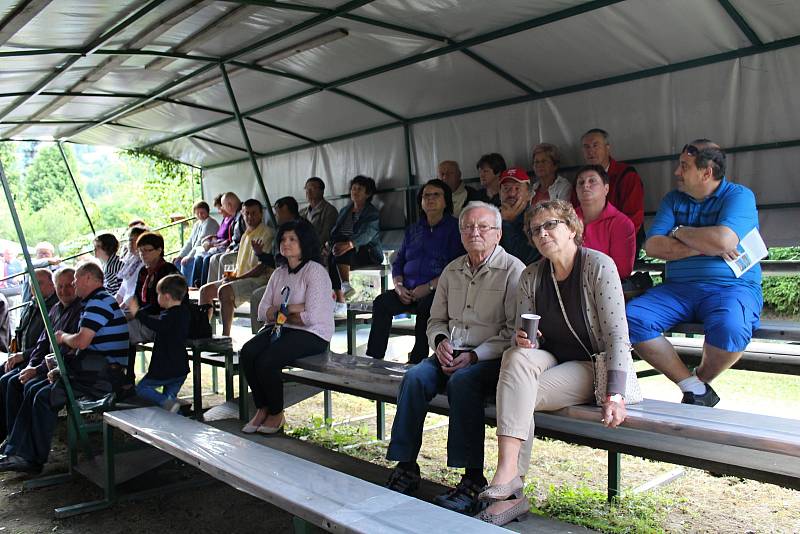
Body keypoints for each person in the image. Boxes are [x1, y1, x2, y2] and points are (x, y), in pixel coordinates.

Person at [476, 199, 631, 525]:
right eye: (535, 230)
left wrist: (616, 393)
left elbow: (617, 334)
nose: (542, 233)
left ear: (573, 228)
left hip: (593, 365)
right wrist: (528, 340)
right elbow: (531, 334)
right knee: (515, 356)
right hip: (553, 359)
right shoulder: (532, 275)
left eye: (551, 225)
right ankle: (509, 477)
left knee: (517, 394)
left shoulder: (598, 266)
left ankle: (510, 489)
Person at [384, 201, 524, 515]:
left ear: (498, 234)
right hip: (451, 352)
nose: (475, 232)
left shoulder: (513, 270)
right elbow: (435, 320)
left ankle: (472, 479)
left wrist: (475, 355)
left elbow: (513, 330)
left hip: (491, 357)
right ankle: (406, 466)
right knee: (415, 377)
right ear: (460, 234)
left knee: (463, 383)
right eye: (468, 227)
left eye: (483, 226)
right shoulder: (452, 270)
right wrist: (440, 342)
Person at [626, 140, 762, 407]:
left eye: (684, 166)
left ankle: (698, 383)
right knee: (631, 318)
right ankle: (693, 387)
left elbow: (724, 240)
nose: (677, 172)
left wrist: (678, 232)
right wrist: (704, 247)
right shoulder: (673, 199)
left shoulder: (739, 196)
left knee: (731, 328)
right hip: (678, 289)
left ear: (706, 172)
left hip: (731, 287)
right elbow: (653, 245)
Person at [0, 262, 129, 474]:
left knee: (42, 395)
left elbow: (81, 342)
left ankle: (31, 458)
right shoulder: (94, 301)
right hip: (91, 371)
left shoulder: (98, 302)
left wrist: (62, 337)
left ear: (88, 278)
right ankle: (19, 451)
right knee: (33, 389)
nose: (74, 285)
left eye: (76, 280)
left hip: (104, 377)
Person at [239, 219, 333, 434]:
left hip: (313, 334)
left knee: (267, 360)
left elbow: (311, 317)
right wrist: (293, 309)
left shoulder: (315, 271)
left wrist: (281, 311)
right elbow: (262, 312)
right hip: (283, 329)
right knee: (248, 352)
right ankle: (262, 407)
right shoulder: (279, 273)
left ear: (304, 242)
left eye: (293, 239)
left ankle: (276, 412)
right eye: (283, 239)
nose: (286, 243)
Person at [366, 179, 464, 363]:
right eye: (426, 195)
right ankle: (374, 359)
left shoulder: (455, 228)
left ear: (446, 201)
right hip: (407, 291)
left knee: (428, 307)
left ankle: (417, 361)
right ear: (421, 201)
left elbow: (455, 266)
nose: (431, 199)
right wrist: (399, 286)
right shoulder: (413, 229)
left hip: (438, 291)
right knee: (381, 303)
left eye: (436, 195)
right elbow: (399, 261)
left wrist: (429, 287)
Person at [0, 267, 82, 443]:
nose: (64, 290)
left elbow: (66, 352)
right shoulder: (50, 308)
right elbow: (41, 344)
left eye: (69, 286)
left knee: (23, 385)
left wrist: (35, 368)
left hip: (64, 370)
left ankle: (21, 442)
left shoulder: (75, 310)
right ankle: (11, 435)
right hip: (38, 362)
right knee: (7, 376)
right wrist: (31, 365)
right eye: (60, 286)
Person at [198, 199, 274, 336]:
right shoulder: (246, 234)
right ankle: (204, 332)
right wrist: (232, 276)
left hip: (259, 280)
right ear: (242, 215)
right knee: (205, 291)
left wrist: (237, 278)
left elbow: (262, 268)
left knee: (224, 290)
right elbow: (241, 265)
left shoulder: (267, 233)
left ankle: (225, 337)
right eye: (247, 214)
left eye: (254, 213)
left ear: (261, 214)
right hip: (241, 278)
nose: (250, 217)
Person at [128, 274, 189, 412]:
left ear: (166, 296)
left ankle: (167, 404)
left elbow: (158, 325)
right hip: (180, 367)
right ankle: (176, 420)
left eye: (158, 294)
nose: (157, 298)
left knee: (142, 389)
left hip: (167, 366)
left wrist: (138, 313)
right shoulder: (184, 312)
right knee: (170, 399)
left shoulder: (170, 316)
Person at [579, 128, 644, 248]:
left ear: (607, 147)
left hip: (622, 241)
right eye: (586, 147)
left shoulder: (626, 175)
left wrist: (616, 242)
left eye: (595, 145)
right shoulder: (580, 180)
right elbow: (574, 214)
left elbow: (634, 217)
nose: (590, 151)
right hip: (587, 243)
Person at [328, 175, 383, 317]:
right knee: (333, 253)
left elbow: (367, 234)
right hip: (347, 251)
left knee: (341, 250)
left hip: (367, 251)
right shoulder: (345, 210)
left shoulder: (372, 213)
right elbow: (335, 231)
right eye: (353, 188)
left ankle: (341, 299)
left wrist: (349, 244)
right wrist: (329, 244)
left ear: (368, 194)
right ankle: (343, 291)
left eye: (359, 189)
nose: (355, 191)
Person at [574, 165, 636, 279]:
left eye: (592, 181)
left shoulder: (622, 224)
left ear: (606, 189)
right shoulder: (566, 219)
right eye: (580, 183)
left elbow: (622, 271)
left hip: (604, 288)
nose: (585, 185)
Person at [193, 192, 242, 286]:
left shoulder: (238, 219)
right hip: (232, 249)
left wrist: (229, 248)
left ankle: (224, 285)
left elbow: (234, 240)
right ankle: (206, 286)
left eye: (222, 207)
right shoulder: (237, 218)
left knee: (220, 258)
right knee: (205, 257)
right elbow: (236, 240)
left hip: (234, 251)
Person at [10, 269, 58, 361]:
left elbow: (47, 344)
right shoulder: (31, 304)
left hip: (37, 359)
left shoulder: (55, 308)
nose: (34, 287)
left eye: (39, 283)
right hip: (21, 356)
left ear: (52, 284)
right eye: (32, 283)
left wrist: (24, 355)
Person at [498, 167, 540, 265]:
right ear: (499, 193)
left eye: (517, 188)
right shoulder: (491, 216)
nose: (511, 193)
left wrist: (507, 222)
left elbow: (521, 259)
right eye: (506, 188)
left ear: (529, 194)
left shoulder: (537, 220)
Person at [175, 201, 220, 286]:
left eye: (202, 212)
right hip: (196, 251)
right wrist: (180, 255)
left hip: (204, 252)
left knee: (186, 263)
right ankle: (178, 286)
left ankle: (189, 286)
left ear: (208, 211)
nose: (200, 215)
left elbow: (199, 242)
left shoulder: (210, 223)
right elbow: (189, 241)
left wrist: (189, 256)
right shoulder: (197, 224)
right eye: (197, 213)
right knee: (177, 262)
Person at [299, 177, 338, 248]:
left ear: (322, 191)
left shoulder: (330, 211)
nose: (308, 192)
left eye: (312, 188)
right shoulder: (302, 212)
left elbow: (325, 236)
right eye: (306, 189)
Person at [114, 226, 148, 306]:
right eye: (129, 240)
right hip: (125, 304)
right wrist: (113, 306)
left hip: (135, 306)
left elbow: (135, 293)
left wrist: (120, 309)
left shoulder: (145, 264)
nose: (130, 243)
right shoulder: (131, 260)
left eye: (134, 240)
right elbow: (123, 289)